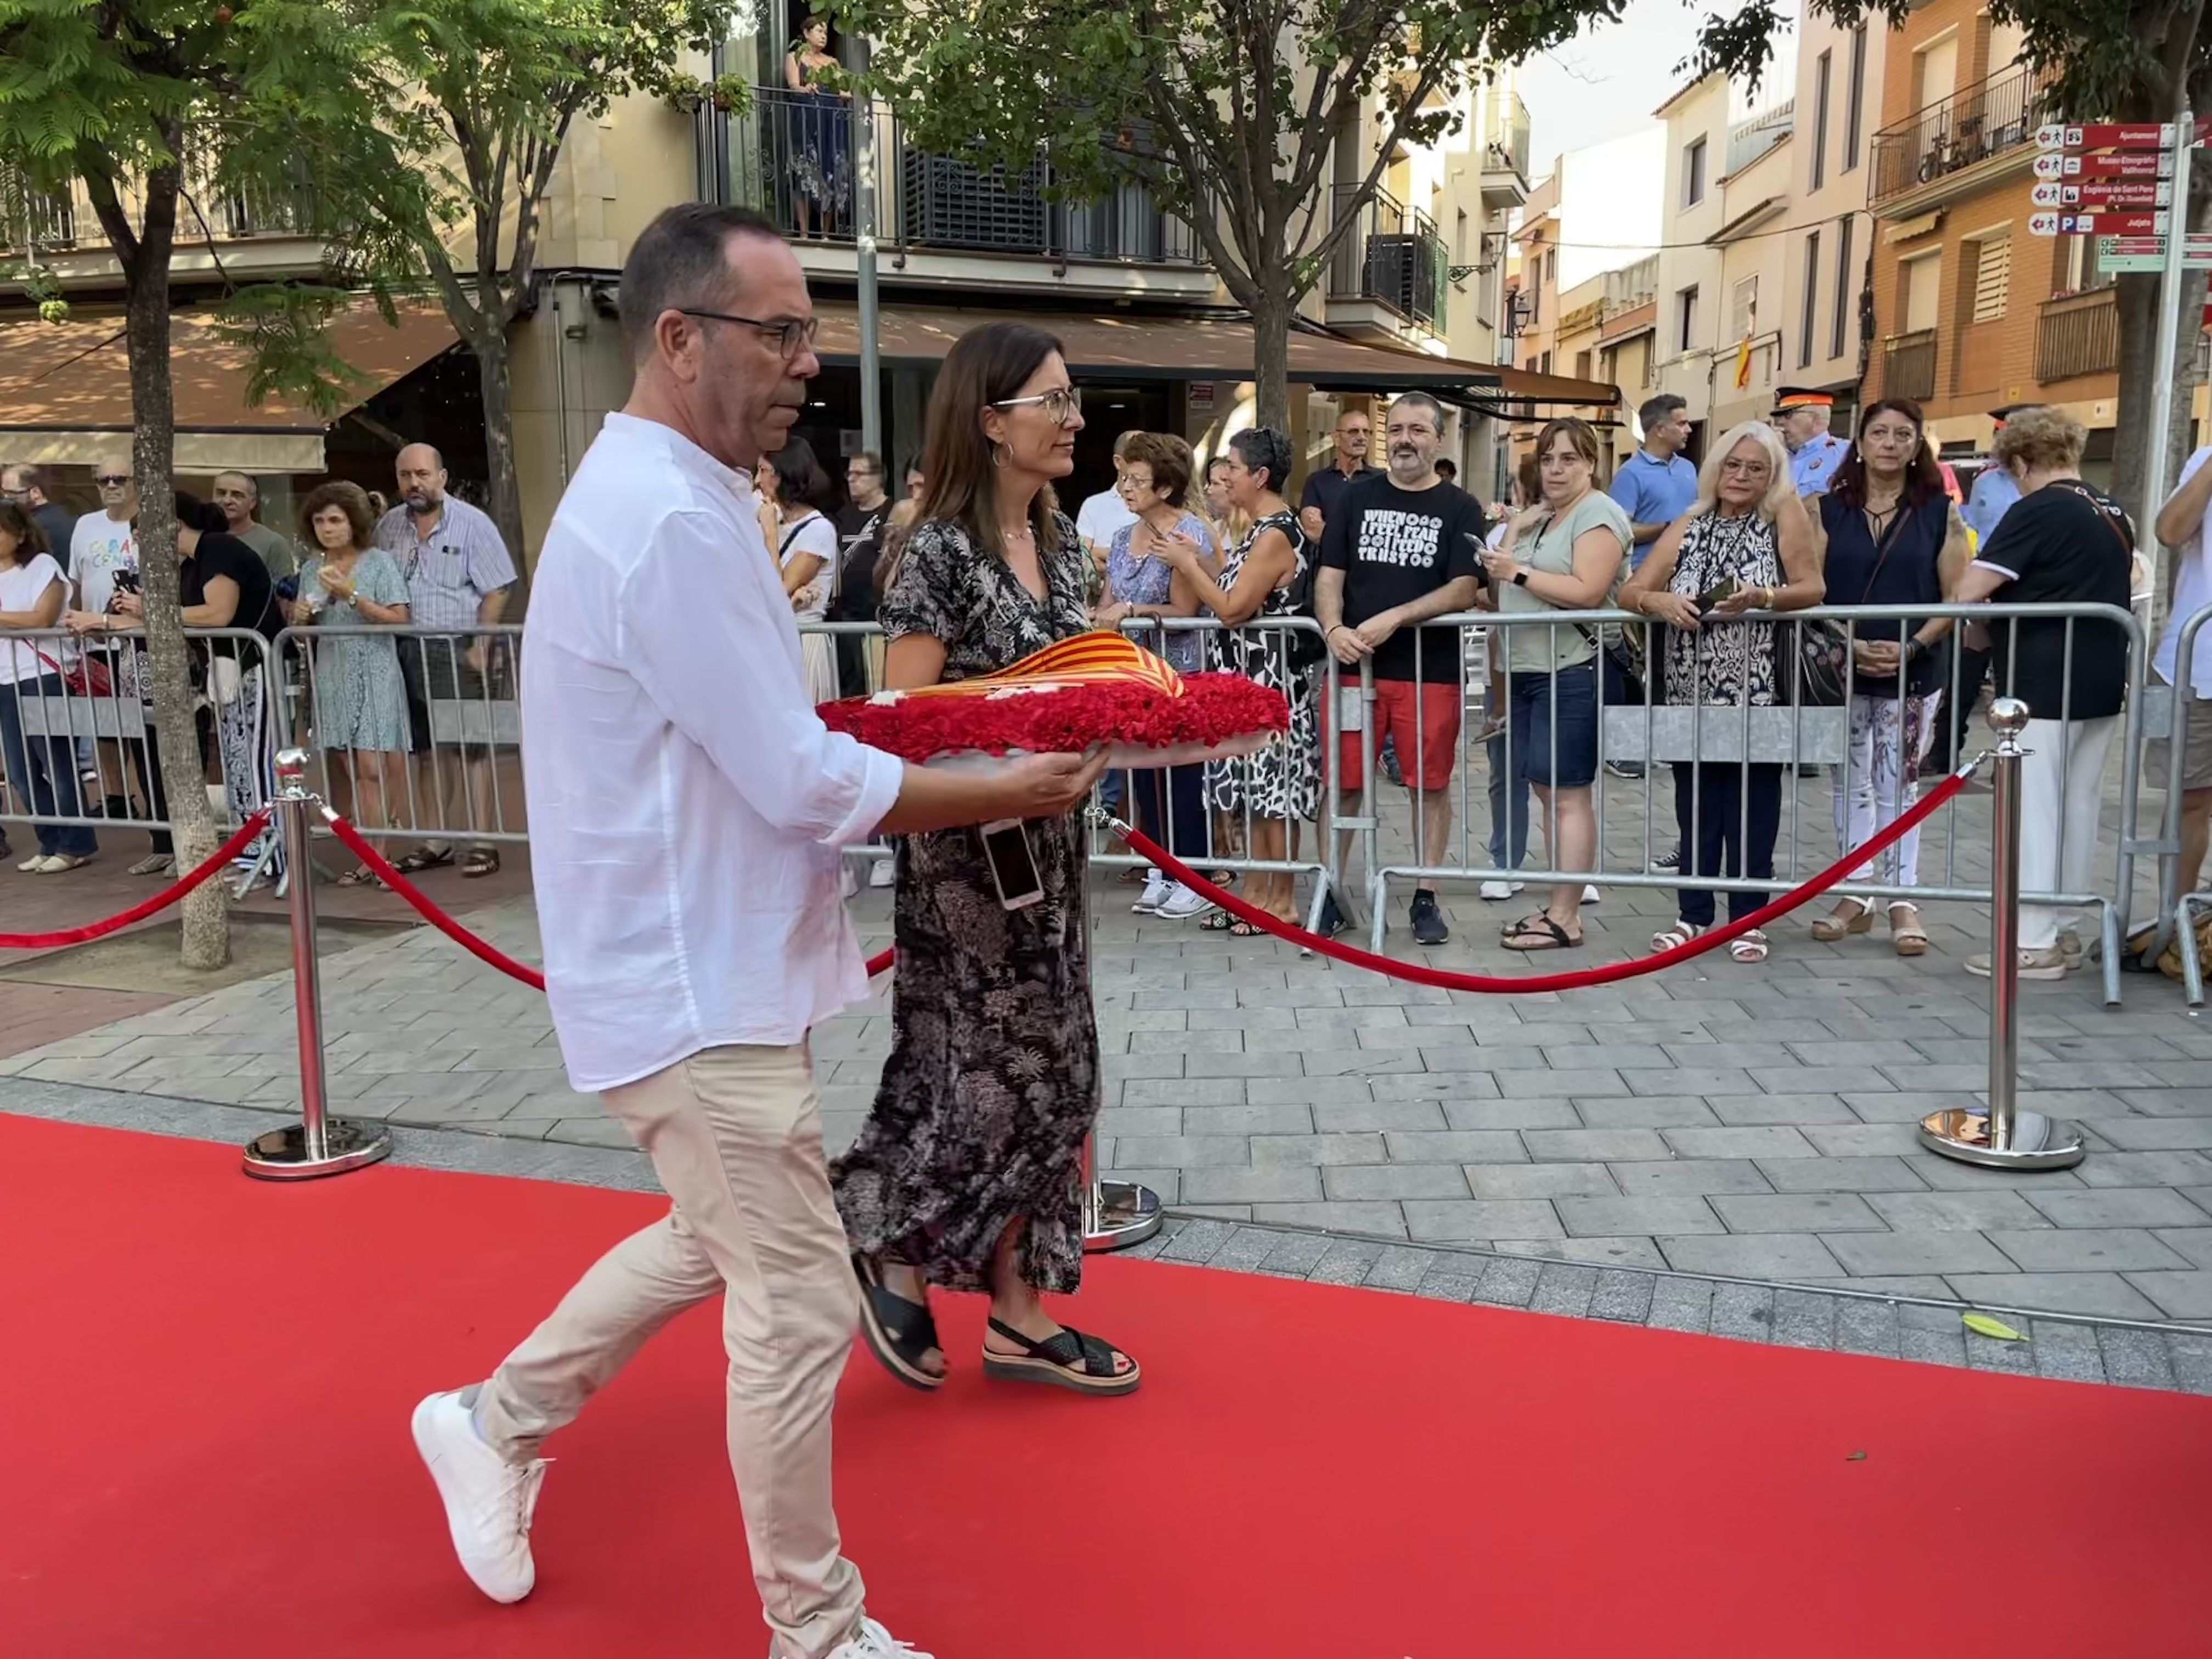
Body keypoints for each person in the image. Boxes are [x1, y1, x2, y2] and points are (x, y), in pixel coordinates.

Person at [411, 205, 1099, 1659]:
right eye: (779, 331)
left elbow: (764, 738)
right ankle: (817, 1630)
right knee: (794, 1304)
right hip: (684, 979)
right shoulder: (666, 511)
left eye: (805, 330)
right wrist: (1001, 783)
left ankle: (494, 1420)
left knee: (718, 1240)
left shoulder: (690, 487)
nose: (808, 361)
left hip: (697, 964)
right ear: (678, 338)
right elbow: (794, 774)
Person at [833, 320, 1139, 1406]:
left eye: (1072, 399)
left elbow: (1075, 683)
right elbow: (896, 726)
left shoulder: (1064, 547)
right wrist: (1007, 776)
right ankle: (885, 1243)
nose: (1073, 419)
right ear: (989, 419)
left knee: (1061, 1076)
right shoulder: (935, 555)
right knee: (961, 1078)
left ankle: (1018, 1312)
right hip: (965, 862)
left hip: (1051, 849)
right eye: (1051, 402)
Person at [1620, 422, 1823, 964]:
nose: (1742, 476)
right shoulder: (1689, 520)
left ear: (1773, 475)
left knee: (1753, 804)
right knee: (1696, 803)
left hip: (1759, 688)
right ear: (1716, 469)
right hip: (1688, 687)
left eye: (1757, 468)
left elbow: (1814, 588)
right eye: (1734, 465)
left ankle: (1750, 918)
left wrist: (1766, 596)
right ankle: (1693, 915)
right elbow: (1630, 589)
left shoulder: (1783, 514)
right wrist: (1657, 603)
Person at [1956, 408, 2134, 979]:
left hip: (2042, 676)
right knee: (2078, 805)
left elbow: (1972, 587)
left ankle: (2031, 942)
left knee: (2034, 808)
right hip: (2102, 673)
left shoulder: (2039, 508)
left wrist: (1974, 626)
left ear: (2022, 462)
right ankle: (2066, 926)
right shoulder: (2110, 507)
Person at [1315, 390, 1486, 946]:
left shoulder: (1461, 507)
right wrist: (1333, 628)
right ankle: (1331, 892)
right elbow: (1329, 575)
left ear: (1439, 439)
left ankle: (1426, 895)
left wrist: (1396, 617)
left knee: (1428, 787)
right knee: (1341, 784)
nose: (1405, 440)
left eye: (1418, 430)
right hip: (1352, 671)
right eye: (1399, 431)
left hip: (1429, 673)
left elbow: (1464, 588)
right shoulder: (1355, 499)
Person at [1805, 398, 1971, 956]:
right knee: (1851, 780)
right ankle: (1856, 890)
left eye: (1904, 434)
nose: (1891, 443)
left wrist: (1914, 645)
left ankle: (1902, 895)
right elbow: (1810, 592)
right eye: (1879, 432)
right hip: (1841, 664)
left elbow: (1956, 597)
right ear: (1860, 440)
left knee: (1899, 781)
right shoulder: (1824, 511)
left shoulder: (1940, 511)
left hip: (1918, 666)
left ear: (1917, 443)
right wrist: (1849, 643)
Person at [1481, 416, 1632, 952]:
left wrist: (1515, 571)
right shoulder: (1546, 518)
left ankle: (1566, 916)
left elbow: (1588, 590)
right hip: (1529, 669)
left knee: (1567, 795)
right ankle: (1558, 906)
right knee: (1547, 791)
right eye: (1548, 459)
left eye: (1568, 458)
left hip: (1572, 667)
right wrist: (1518, 532)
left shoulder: (1598, 514)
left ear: (1591, 463)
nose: (1556, 468)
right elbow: (1506, 583)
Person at [1159, 427, 1319, 930]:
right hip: (1249, 683)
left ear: (1260, 475)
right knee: (1253, 793)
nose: (1224, 474)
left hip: (1273, 683)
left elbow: (1231, 608)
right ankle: (1256, 895)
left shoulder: (1275, 532)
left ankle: (1282, 900)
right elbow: (1233, 581)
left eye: (1232, 465)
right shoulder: (1258, 528)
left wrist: (1188, 564)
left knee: (1275, 796)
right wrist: (1202, 558)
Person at [376, 443, 518, 881]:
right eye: (405, 476)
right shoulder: (389, 527)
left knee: (471, 751)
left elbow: (498, 588)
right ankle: (436, 841)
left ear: (442, 476)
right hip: (406, 651)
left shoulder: (473, 524)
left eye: (421, 474)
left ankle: (481, 842)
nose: (413, 483)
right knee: (427, 752)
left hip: (459, 647)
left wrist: (481, 644)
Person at [1101, 430, 1214, 921]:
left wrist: (1128, 609)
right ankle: (1159, 869)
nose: (1126, 488)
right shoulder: (1125, 537)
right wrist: (1108, 614)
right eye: (1124, 477)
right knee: (1142, 777)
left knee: (1183, 774)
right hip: (1132, 670)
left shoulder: (1189, 533)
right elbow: (1108, 600)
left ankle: (1195, 875)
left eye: (1137, 480)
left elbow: (1185, 607)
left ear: (1164, 488)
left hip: (1178, 669)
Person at [296, 482, 413, 887]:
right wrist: (302, 617)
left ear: (353, 522)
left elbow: (400, 619)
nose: (328, 529)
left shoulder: (378, 562)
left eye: (336, 520)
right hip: (332, 669)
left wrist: (352, 596)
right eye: (320, 521)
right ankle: (371, 854)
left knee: (373, 764)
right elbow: (299, 633)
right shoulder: (312, 568)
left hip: (375, 665)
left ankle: (382, 854)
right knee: (351, 767)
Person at [1937, 405, 2038, 770]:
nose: (2001, 442)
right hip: (1985, 585)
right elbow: (1974, 532)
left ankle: (2011, 762)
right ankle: (1943, 752)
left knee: (2015, 681)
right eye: (1999, 434)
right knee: (1963, 677)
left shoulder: (2044, 483)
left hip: (2026, 590)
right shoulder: (1986, 480)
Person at [0, 501, 97, 872]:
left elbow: (42, 617)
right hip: (7, 680)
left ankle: (75, 844)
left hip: (44, 676)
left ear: (21, 533)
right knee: (21, 772)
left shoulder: (43, 566)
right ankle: (49, 840)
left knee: (56, 763)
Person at [1477, 456, 1538, 903]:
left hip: (1565, 663)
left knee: (1568, 776)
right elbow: (1497, 602)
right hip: (1505, 667)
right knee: (1506, 771)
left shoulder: (1590, 526)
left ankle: (1572, 872)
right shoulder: (1502, 534)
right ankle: (1505, 860)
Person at [2153, 435, 2212, 901]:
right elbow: (2170, 532)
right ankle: (2177, 924)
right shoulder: (2203, 461)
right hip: (2195, 666)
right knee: (2189, 799)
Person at [757, 436, 842, 704]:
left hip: (802, 642)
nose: (757, 481)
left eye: (763, 471)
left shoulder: (818, 529)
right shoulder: (770, 518)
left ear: (784, 474)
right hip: (769, 639)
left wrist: (770, 536)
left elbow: (779, 590)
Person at [830, 450, 891, 702]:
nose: (851, 479)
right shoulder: (844, 516)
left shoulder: (893, 513)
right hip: (845, 613)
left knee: (876, 682)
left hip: (877, 613)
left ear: (878, 478)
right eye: (849, 474)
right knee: (851, 684)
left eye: (859, 474)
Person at [784, 15, 850, 240]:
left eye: (826, 33)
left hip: (830, 122)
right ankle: (804, 233)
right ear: (806, 33)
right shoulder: (795, 57)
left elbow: (844, 90)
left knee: (830, 172)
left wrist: (845, 94)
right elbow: (793, 86)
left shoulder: (832, 63)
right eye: (819, 31)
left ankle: (825, 234)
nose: (823, 36)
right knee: (804, 173)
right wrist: (805, 88)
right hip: (806, 119)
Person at [1298, 404, 1379, 544]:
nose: (1362, 437)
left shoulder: (1381, 480)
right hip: (1328, 564)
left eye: (1366, 432)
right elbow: (1313, 530)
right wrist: (1359, 539)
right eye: (1354, 431)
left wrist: (1331, 532)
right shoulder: (1317, 482)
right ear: (1336, 438)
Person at [211, 471, 299, 580]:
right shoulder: (201, 538)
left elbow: (286, 592)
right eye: (221, 493)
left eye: (237, 495)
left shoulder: (273, 543)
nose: (227, 500)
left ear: (252, 502)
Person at [1075, 430, 1141, 573]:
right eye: (1137, 457)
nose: (1145, 463)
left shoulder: (1159, 505)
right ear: (1118, 462)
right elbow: (1082, 559)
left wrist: (1101, 553)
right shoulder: (1093, 505)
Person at [1, 463, 77, 573]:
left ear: (35, 493)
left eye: (12, 494)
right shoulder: (60, 514)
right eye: (4, 494)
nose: (6, 500)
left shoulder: (36, 525)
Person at [1775, 387, 1849, 496]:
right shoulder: (1778, 458)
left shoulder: (1845, 454)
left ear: (1814, 419)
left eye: (1788, 415)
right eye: (1780, 417)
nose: (1781, 422)